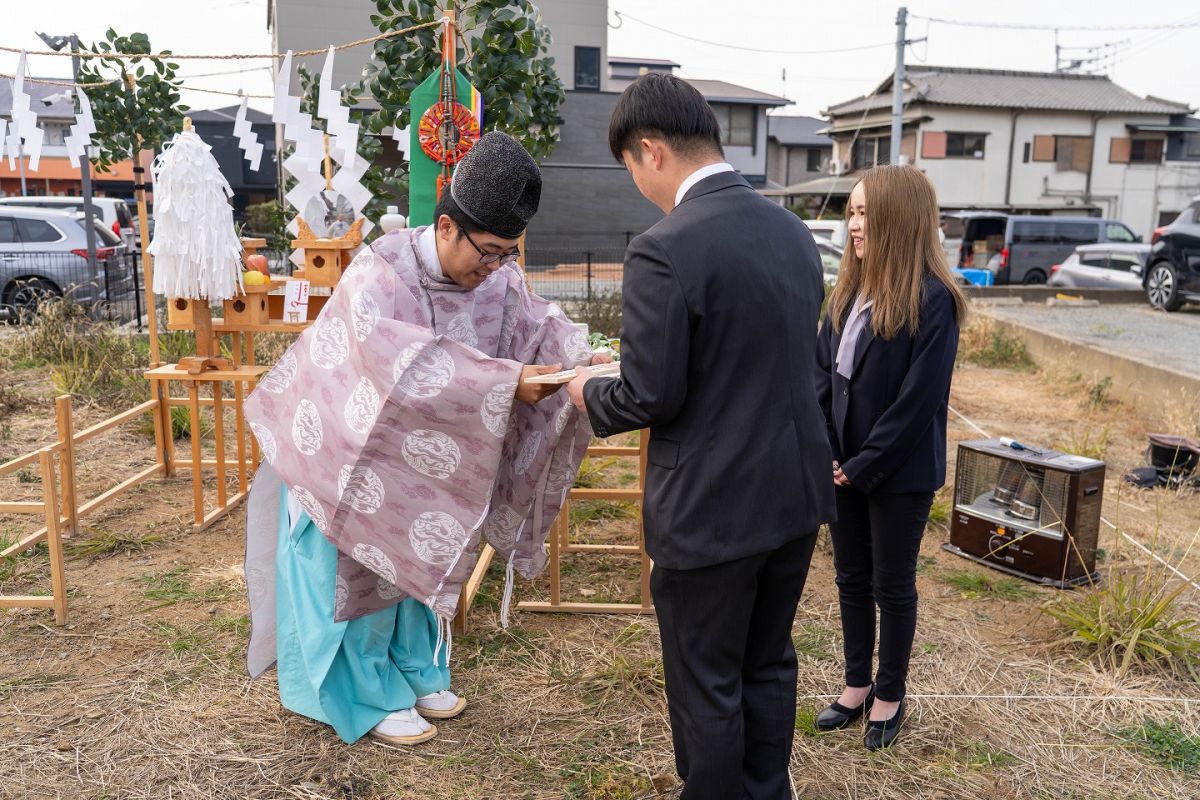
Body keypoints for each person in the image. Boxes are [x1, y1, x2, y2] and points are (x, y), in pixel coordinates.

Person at [242, 132, 607, 747]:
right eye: (488, 253)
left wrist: (581, 358)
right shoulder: (380, 272)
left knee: (422, 547)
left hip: (422, 457)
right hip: (344, 452)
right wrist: (501, 383)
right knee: (358, 561)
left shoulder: (498, 277)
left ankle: (413, 668)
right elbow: (389, 363)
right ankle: (361, 690)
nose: (494, 269)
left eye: (507, 255)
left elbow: (536, 324)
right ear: (446, 227)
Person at [566, 74, 836, 800]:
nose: (637, 187)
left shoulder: (664, 247)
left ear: (651, 151)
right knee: (768, 661)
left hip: (712, 508)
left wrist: (583, 387)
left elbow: (651, 394)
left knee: (707, 678)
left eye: (630, 169)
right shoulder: (793, 234)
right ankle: (766, 788)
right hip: (793, 492)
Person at [813, 164, 967, 750]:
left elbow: (916, 404)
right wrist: (831, 451)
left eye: (866, 213)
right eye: (851, 212)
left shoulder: (934, 301)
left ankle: (888, 694)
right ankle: (855, 685)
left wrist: (861, 464)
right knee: (850, 576)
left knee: (892, 584)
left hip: (898, 472)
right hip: (842, 464)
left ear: (900, 221)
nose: (855, 225)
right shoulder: (848, 289)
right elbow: (820, 375)